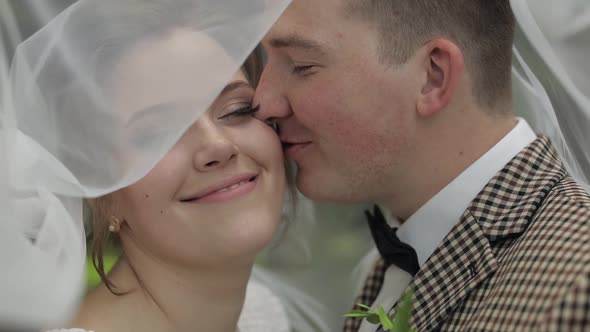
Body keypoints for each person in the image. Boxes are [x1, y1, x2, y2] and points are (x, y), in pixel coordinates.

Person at [254, 0, 590, 331]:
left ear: (433, 76)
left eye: (301, 65)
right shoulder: (398, 258)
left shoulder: (578, 285)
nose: (263, 103)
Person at [0, 0, 294, 331]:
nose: (218, 145)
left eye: (238, 109)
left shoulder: (263, 316)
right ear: (102, 191)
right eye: (160, 134)